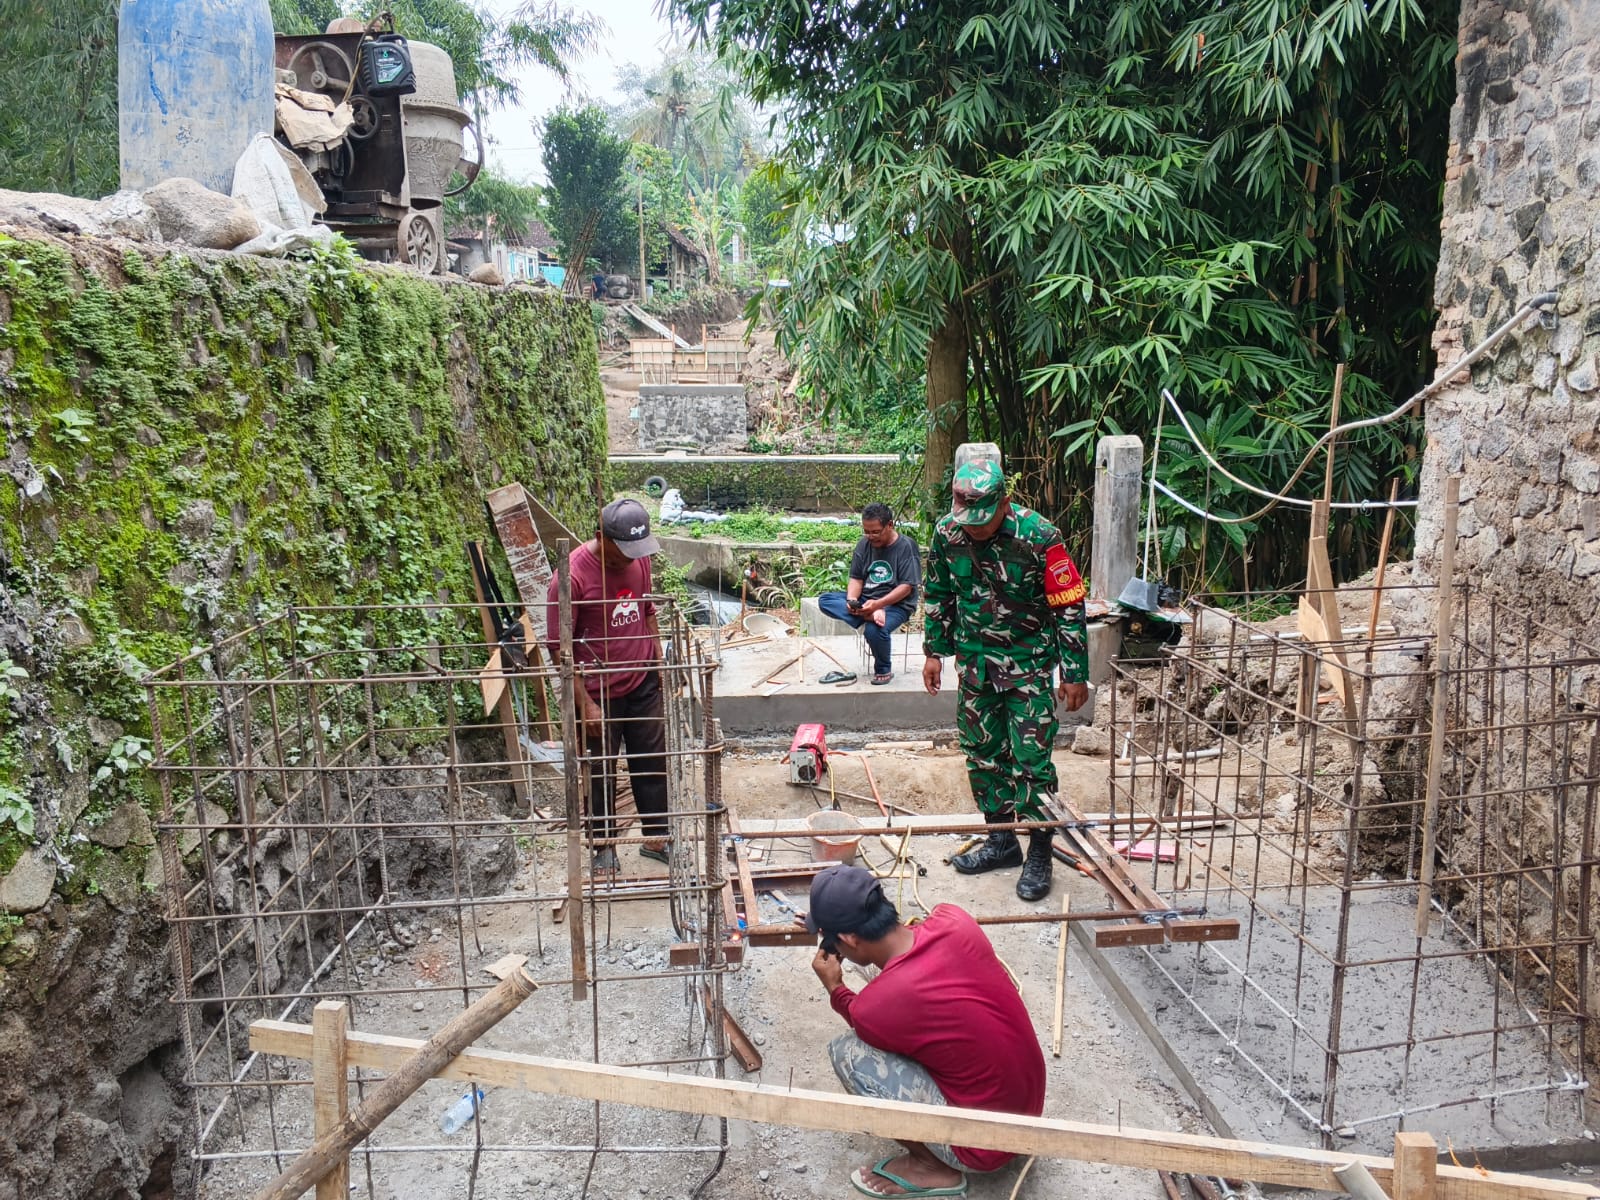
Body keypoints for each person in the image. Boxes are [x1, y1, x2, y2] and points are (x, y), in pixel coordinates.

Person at [805, 864, 1046, 1198]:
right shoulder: (953, 919)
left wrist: (834, 987)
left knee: (848, 1053)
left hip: (987, 1147)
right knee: (889, 988)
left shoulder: (880, 1006)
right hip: (1031, 1113)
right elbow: (902, 957)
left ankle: (932, 1167)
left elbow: (861, 1015)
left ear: (846, 939)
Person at [921, 445, 1088, 901]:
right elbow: (938, 594)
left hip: (1028, 668)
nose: (972, 528)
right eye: (965, 519)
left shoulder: (1039, 536)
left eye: (981, 519)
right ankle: (1001, 840)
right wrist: (934, 652)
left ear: (1002, 504)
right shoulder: (947, 534)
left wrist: (1073, 672)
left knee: (1031, 762)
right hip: (975, 668)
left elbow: (1069, 607)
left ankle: (1038, 849)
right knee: (982, 755)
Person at [544, 497, 671, 873]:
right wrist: (585, 704)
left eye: (639, 550)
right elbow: (559, 649)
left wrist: (658, 666)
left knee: (652, 760)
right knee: (599, 768)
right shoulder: (571, 576)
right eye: (624, 550)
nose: (633, 558)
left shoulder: (639, 558)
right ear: (601, 537)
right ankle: (603, 845)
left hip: (641, 678)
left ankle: (656, 838)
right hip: (598, 689)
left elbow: (647, 610)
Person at [816, 502, 923, 685]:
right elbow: (856, 578)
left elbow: (907, 587)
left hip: (896, 605)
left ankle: (883, 670)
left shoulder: (906, 546)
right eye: (867, 531)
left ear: (890, 525)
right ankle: (868, 615)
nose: (871, 536)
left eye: (876, 532)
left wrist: (879, 605)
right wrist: (852, 601)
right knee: (825, 600)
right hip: (868, 601)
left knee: (874, 630)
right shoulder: (864, 545)